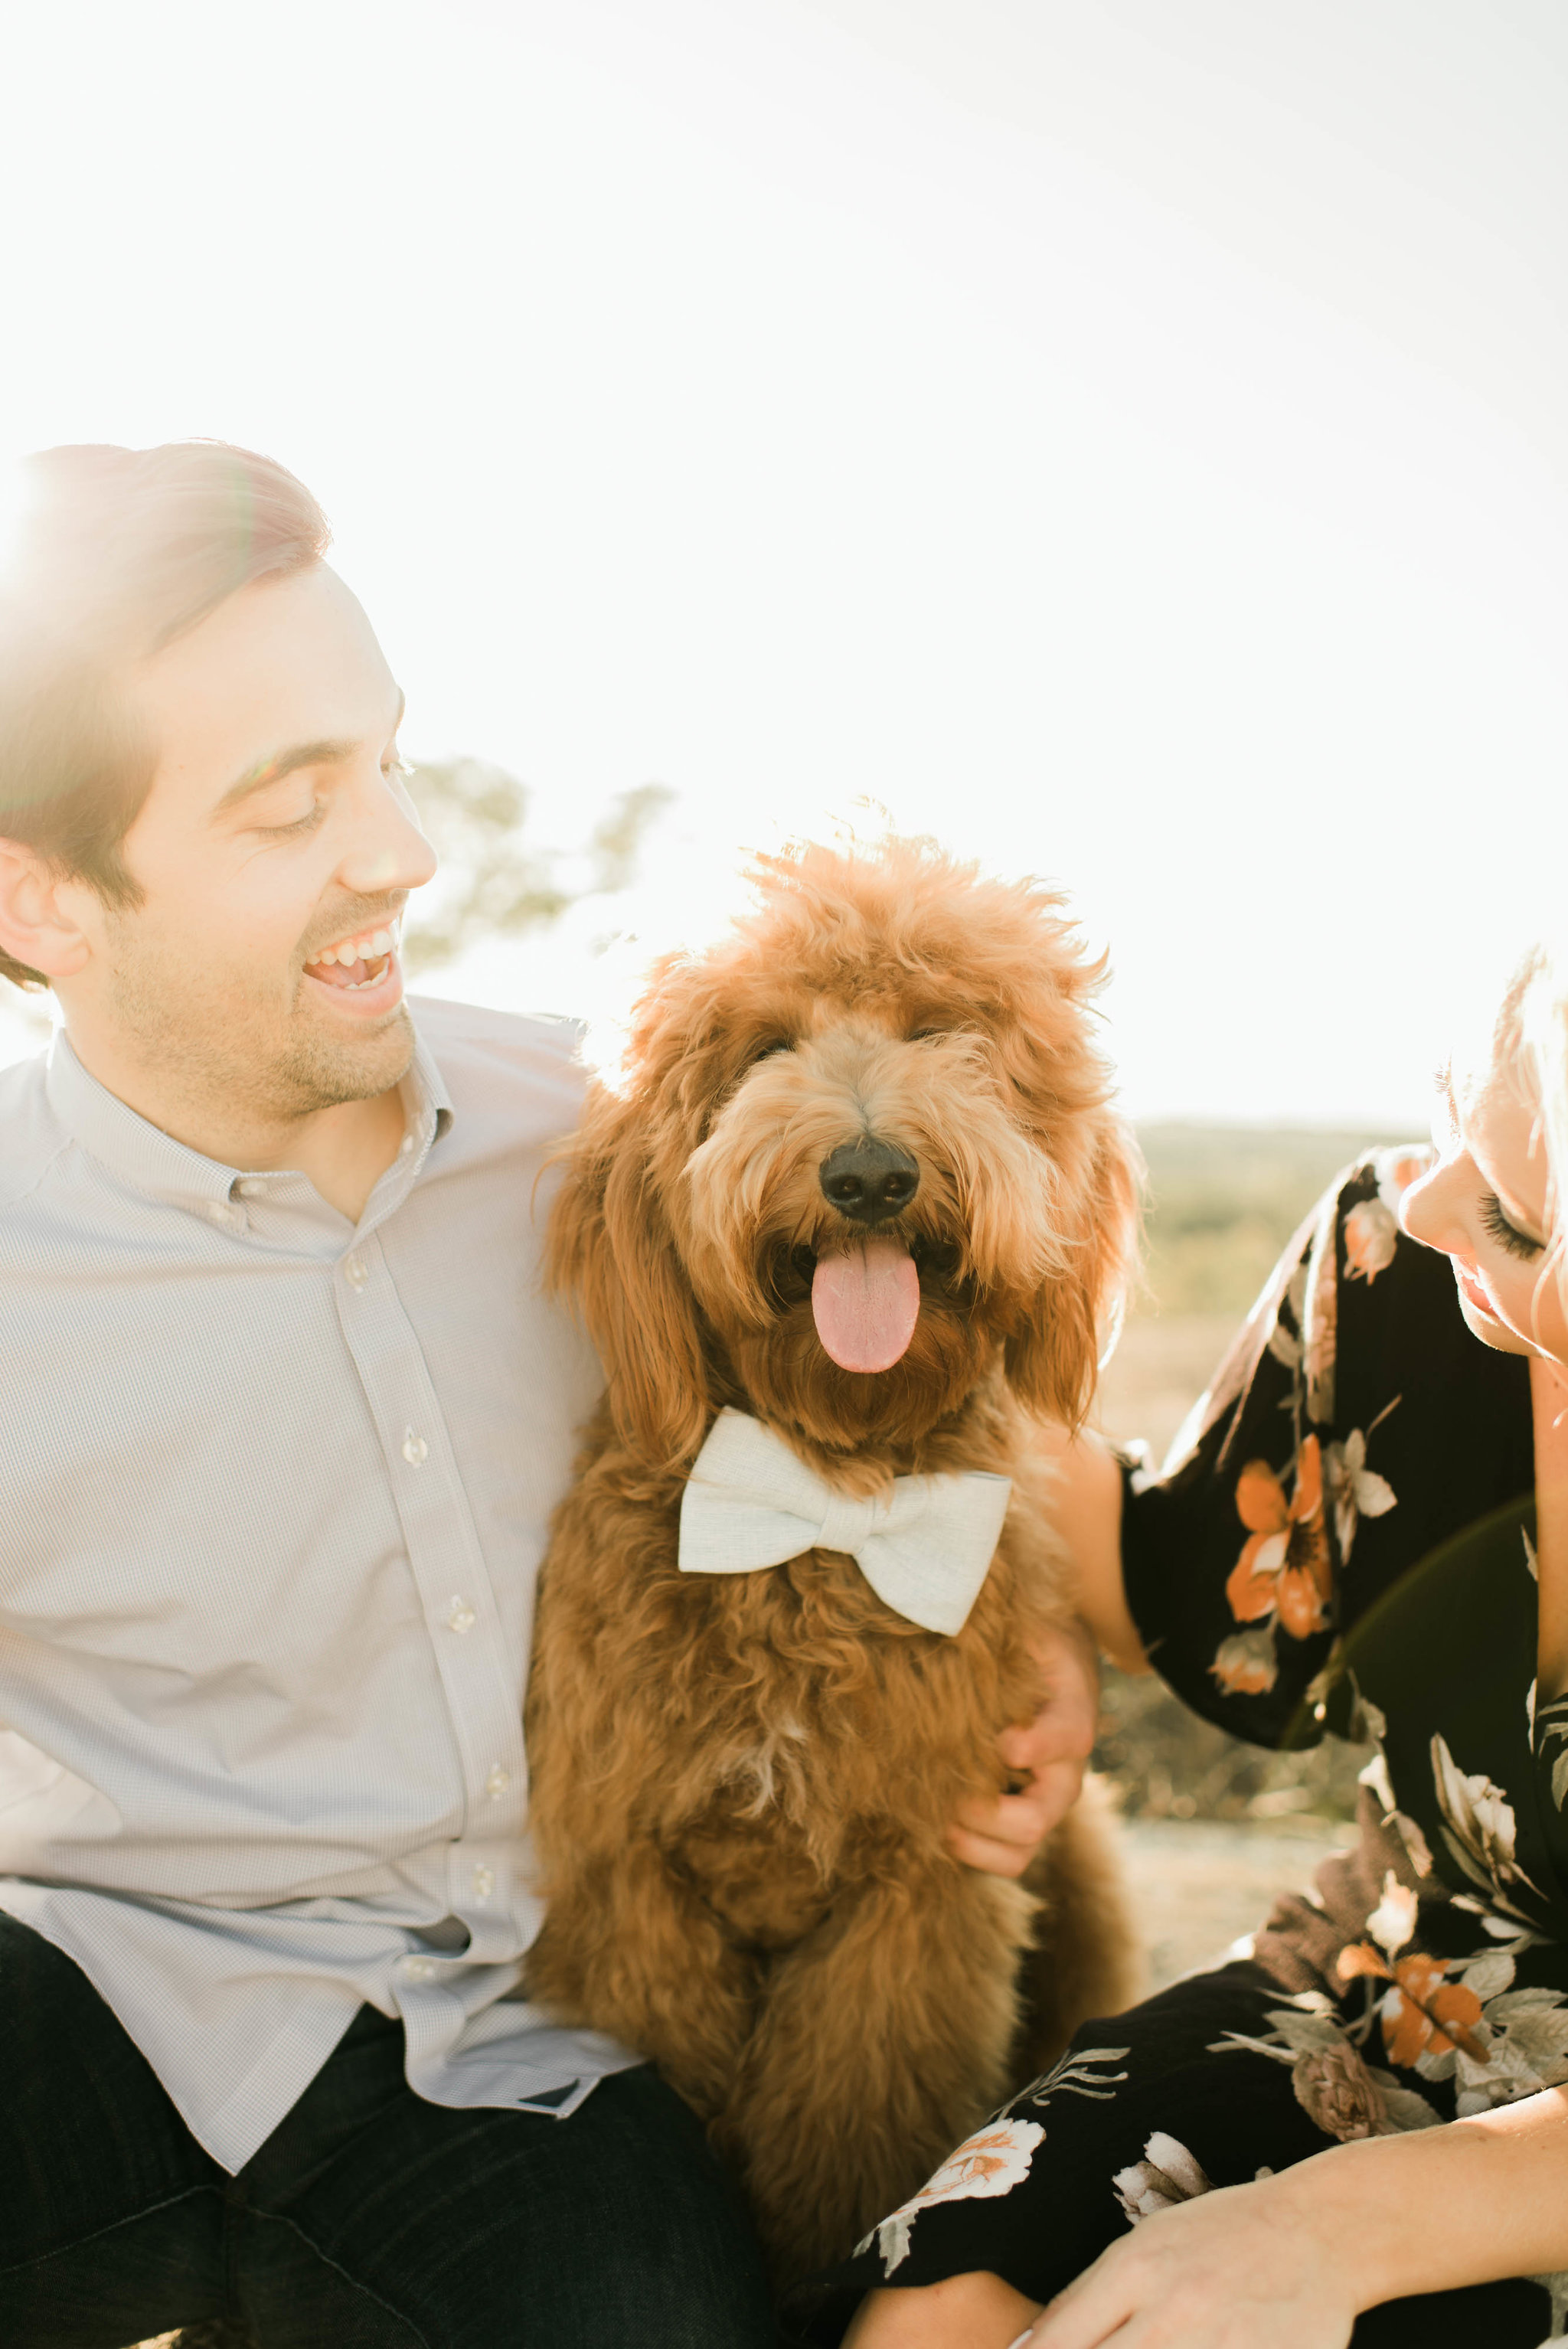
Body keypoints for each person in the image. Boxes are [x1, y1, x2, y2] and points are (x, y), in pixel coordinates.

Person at [0, 441, 1091, 2349]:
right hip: (103, 1989)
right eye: (290, 806)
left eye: (386, 760)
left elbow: (949, 1382)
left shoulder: (623, 1139)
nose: (401, 851)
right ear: (44, 905)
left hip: (519, 2056)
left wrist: (1042, 1649)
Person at [789, 943, 1568, 2348]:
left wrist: (1327, 2229)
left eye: (1520, 1214)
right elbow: (1181, 1580)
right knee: (941, 2309)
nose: (1436, 1200)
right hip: (1393, 1984)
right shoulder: (1398, 1258)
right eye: (1460, 1114)